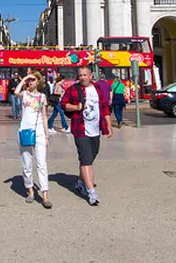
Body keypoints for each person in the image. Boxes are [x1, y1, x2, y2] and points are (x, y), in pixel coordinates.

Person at [60, 65, 112, 206]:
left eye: (85, 75)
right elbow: (63, 104)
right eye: (80, 75)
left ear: (90, 76)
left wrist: (108, 125)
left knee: (91, 156)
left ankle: (80, 182)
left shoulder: (97, 89)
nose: (82, 77)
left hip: (96, 130)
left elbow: (105, 107)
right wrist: (76, 107)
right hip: (80, 129)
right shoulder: (73, 90)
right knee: (86, 160)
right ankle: (91, 193)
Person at [17, 71, 53, 208]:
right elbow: (16, 92)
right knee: (26, 163)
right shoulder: (24, 94)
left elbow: (44, 116)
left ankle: (44, 194)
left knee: (42, 163)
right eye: (29, 81)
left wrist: (46, 134)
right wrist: (25, 78)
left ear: (38, 82)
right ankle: (30, 190)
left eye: (33, 80)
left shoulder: (42, 97)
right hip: (24, 131)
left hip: (38, 132)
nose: (30, 82)